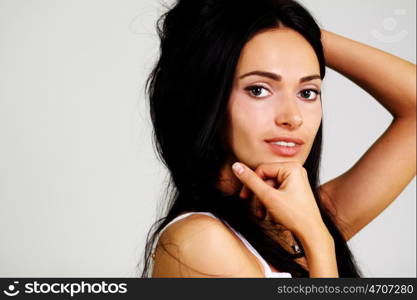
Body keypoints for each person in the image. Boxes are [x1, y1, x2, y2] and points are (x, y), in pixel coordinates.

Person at [139, 0, 416, 278]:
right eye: (259, 90)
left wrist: (289, 25)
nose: (292, 118)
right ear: (206, 98)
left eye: (307, 92)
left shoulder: (300, 221)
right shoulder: (200, 242)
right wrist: (318, 241)